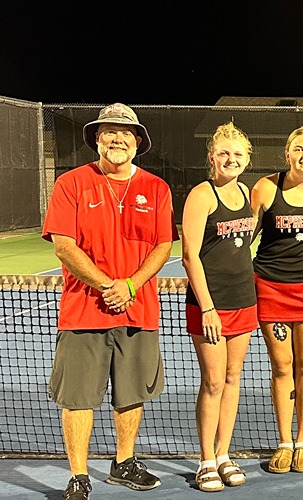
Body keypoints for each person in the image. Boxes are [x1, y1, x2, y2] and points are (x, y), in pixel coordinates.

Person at [42, 103, 177, 500]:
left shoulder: (156, 188)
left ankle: (124, 462)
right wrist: (108, 286)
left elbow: (163, 243)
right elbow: (64, 247)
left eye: (126, 132)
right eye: (109, 131)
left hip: (138, 309)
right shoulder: (71, 183)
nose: (118, 138)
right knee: (78, 397)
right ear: (97, 138)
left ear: (138, 141)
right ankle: (79, 475)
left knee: (132, 392)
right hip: (83, 312)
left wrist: (131, 286)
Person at [251, 126, 303, 474]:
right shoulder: (267, 187)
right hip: (271, 286)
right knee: (282, 366)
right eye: (299, 149)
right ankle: (285, 441)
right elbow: (243, 235)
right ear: (287, 154)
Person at [182, 123, 257, 492]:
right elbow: (189, 256)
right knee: (212, 381)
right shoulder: (201, 195)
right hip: (209, 305)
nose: (231, 159)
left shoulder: (245, 192)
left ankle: (224, 454)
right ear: (212, 157)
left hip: (245, 299)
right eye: (224, 153)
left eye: (238, 154)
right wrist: (208, 308)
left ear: (247, 159)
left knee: (233, 378)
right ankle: (205, 460)